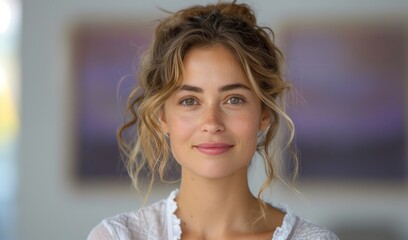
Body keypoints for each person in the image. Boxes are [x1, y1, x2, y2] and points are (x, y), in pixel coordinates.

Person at [88, 1, 338, 239]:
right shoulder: (118, 236)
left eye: (234, 99)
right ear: (162, 117)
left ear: (264, 114)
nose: (212, 122)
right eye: (189, 101)